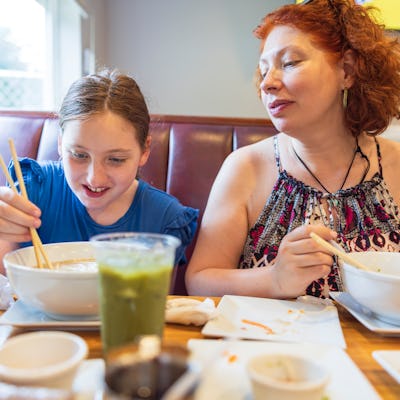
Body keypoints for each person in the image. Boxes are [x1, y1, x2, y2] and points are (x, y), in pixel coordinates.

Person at [186, 0, 400, 299]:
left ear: (347, 71)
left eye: (289, 63)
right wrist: (273, 278)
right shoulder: (245, 167)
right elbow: (199, 280)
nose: (268, 83)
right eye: (263, 71)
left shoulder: (396, 165)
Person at [0, 69, 198, 275]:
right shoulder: (34, 190)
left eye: (115, 159)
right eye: (79, 155)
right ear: (60, 142)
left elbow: (155, 303)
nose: (94, 177)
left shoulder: (164, 219)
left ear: (145, 150)